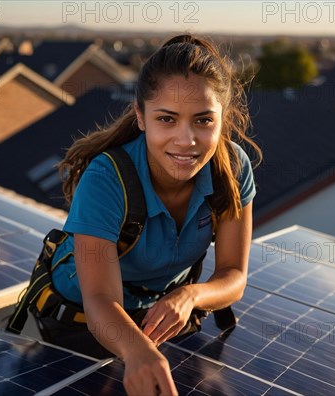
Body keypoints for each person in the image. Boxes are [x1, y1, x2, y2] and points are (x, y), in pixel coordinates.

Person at [47, 34, 262, 395]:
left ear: (223, 120)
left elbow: (233, 275)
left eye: (203, 121)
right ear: (140, 117)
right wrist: (138, 351)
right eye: (167, 119)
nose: (185, 140)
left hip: (157, 313)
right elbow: (99, 298)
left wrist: (190, 296)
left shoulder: (233, 168)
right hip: (80, 316)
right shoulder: (105, 179)